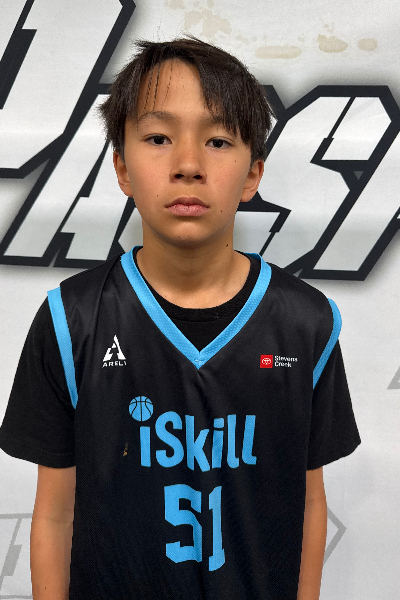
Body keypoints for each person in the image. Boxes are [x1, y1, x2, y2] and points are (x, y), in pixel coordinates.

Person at [0, 34, 361, 600]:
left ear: (252, 174)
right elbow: (54, 513)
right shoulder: (71, 320)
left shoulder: (306, 323)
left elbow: (309, 499)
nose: (188, 164)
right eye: (158, 138)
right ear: (122, 168)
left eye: (217, 141)